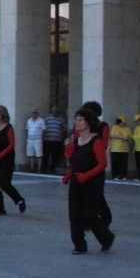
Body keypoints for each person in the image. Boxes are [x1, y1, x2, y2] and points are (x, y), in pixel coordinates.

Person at [63, 108, 115, 254]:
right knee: (74, 214)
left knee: (89, 215)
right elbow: (74, 161)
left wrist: (87, 175)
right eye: (76, 119)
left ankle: (106, 238)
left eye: (80, 120)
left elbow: (102, 164)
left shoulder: (96, 140)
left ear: (89, 122)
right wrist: (68, 175)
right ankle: (79, 245)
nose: (77, 123)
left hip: (92, 183)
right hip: (76, 181)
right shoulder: (76, 140)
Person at [0, 105, 26, 216]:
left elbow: (11, 144)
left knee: (4, 183)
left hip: (6, 158)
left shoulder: (8, 127)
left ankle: (19, 199)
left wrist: (2, 153)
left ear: (3, 115)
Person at [42, 106, 66, 173]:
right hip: (47, 140)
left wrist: (61, 132)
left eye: (56, 110)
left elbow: (64, 128)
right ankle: (44, 169)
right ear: (51, 110)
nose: (55, 111)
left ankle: (52, 169)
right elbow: (43, 126)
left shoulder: (61, 119)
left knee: (55, 156)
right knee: (46, 155)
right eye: (54, 110)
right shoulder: (47, 118)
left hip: (57, 140)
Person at [109, 115, 132, 180]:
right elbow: (112, 135)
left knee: (124, 163)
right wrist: (121, 137)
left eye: (125, 122)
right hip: (115, 148)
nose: (124, 124)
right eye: (122, 122)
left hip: (125, 149)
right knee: (116, 162)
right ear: (119, 122)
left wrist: (127, 139)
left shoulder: (127, 128)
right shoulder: (115, 127)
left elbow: (130, 137)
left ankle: (124, 175)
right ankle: (116, 175)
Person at [25, 108, 46, 173]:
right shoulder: (29, 121)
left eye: (35, 113)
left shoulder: (41, 120)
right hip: (30, 139)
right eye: (33, 113)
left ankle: (39, 169)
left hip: (38, 139)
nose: (34, 114)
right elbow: (27, 129)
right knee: (30, 154)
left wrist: (39, 135)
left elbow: (44, 129)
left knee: (39, 154)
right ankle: (32, 168)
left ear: (37, 113)